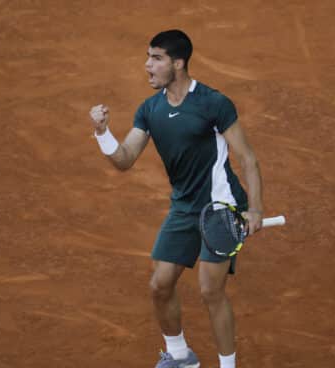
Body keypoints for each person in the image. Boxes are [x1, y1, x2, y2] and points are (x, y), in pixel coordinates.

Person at [89, 29, 263, 368]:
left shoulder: (213, 104)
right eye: (148, 57)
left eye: (156, 58)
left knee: (211, 291)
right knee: (160, 284)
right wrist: (102, 133)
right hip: (184, 208)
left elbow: (248, 160)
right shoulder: (150, 110)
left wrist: (254, 208)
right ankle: (181, 356)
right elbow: (124, 159)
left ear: (178, 64)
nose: (147, 65)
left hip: (221, 208)